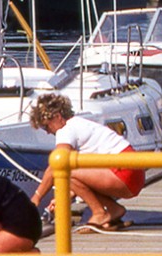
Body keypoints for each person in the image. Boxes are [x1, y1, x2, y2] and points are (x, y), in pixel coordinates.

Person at [27, 93, 143, 232]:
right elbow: (82, 181)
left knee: (63, 170)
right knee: (70, 170)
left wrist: (36, 198)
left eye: (46, 127)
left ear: (58, 117)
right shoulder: (80, 124)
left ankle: (100, 213)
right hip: (134, 174)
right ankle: (113, 210)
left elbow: (56, 166)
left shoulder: (65, 130)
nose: (47, 132)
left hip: (123, 173)